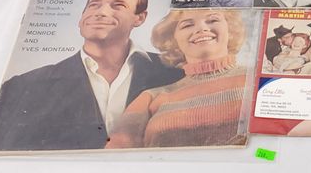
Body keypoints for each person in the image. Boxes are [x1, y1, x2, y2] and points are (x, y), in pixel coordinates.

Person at [0, 0, 183, 152]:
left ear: (139, 18)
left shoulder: (175, 73)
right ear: (81, 17)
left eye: (118, 6)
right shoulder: (23, 85)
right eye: (94, 5)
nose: (101, 12)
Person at [106, 9, 252, 148]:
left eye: (213, 20)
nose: (201, 29)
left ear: (230, 30)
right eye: (187, 25)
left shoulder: (259, 81)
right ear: (173, 40)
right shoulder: (150, 98)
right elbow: (115, 155)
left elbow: (265, 152)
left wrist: (260, 155)